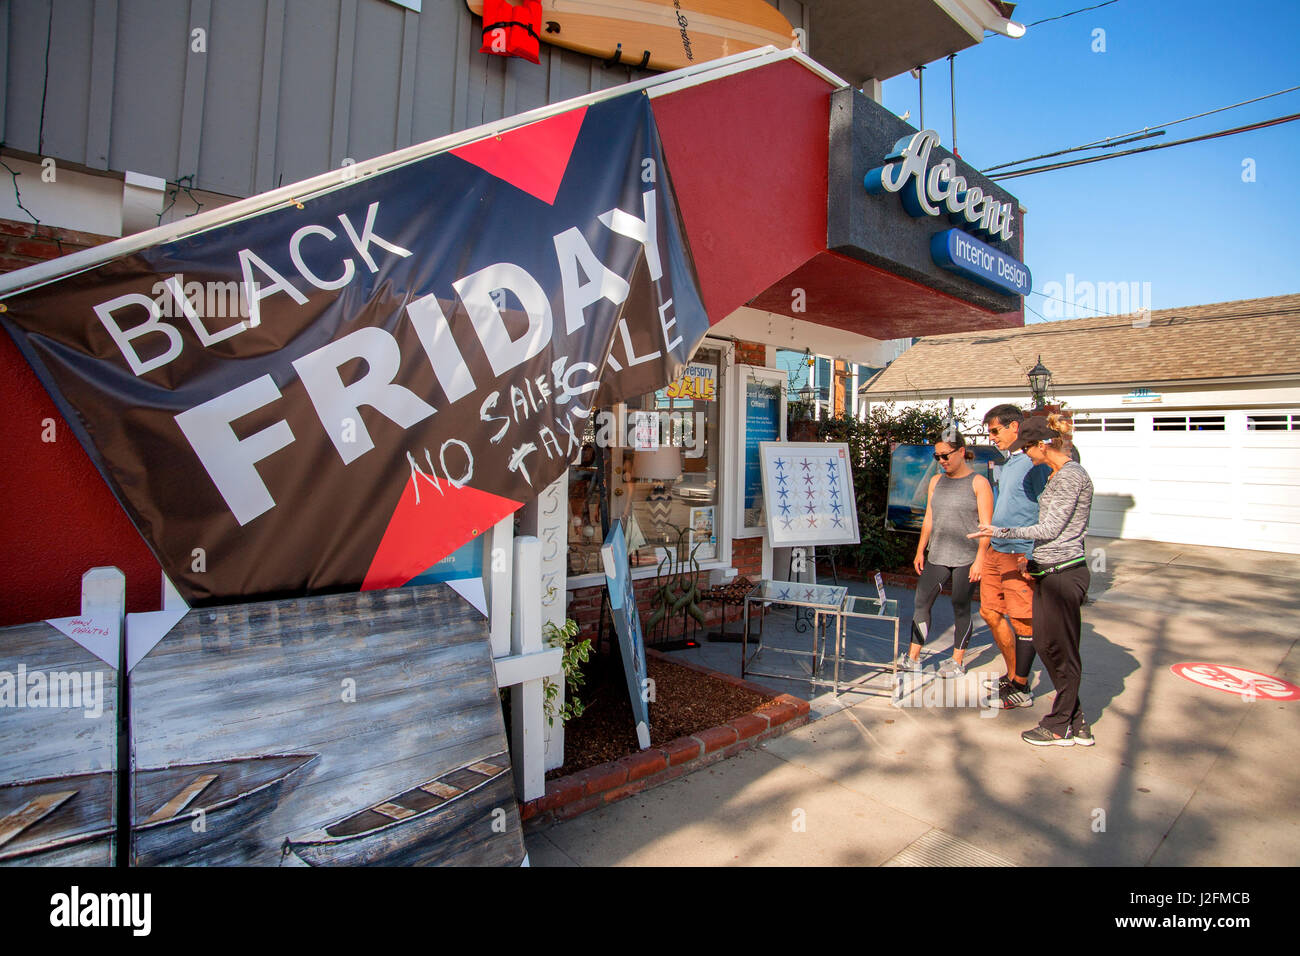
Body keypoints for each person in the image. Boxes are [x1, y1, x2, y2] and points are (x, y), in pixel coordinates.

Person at [969, 414, 1096, 746]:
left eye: (1028, 447)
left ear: (1042, 444)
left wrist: (1000, 531)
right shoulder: (1057, 476)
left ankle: (1059, 724)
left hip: (1065, 571)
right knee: (1048, 645)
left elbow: (1050, 528)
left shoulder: (1070, 476)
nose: (1025, 453)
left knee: (1061, 651)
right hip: (1048, 569)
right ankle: (1077, 721)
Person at [897, 428, 993, 678]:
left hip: (967, 557)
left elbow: (986, 526)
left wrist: (981, 559)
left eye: (945, 455)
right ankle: (914, 657)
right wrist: (920, 551)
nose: (941, 461)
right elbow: (929, 517)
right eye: (937, 457)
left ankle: (957, 661)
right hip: (937, 554)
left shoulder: (979, 483)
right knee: (921, 603)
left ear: (961, 452)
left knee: (960, 606)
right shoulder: (935, 481)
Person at [979, 404, 1051, 709]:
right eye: (990, 432)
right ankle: (1013, 675)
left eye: (995, 430)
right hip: (997, 548)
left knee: (1023, 621)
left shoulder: (1035, 465)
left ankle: (1021, 687)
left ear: (1014, 427)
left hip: (1020, 552)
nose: (992, 437)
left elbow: (1046, 512)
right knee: (989, 612)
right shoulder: (1007, 465)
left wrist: (1032, 555)